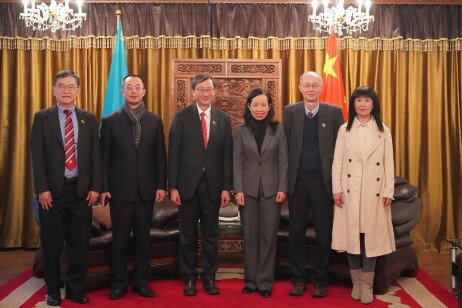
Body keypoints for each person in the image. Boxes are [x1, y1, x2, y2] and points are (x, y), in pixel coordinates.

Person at [31, 70, 101, 306]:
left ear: (78, 91)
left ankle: (74, 289)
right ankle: (52, 290)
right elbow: (37, 156)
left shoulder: (88, 118)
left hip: (81, 192)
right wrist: (42, 188)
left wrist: (95, 187)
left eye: (71, 86)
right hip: (52, 193)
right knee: (51, 244)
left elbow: (94, 156)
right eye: (62, 86)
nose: (66, 90)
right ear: (54, 89)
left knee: (79, 245)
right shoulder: (42, 117)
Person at [100, 75, 167, 300]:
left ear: (144, 91)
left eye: (138, 88)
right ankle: (118, 282)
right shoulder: (110, 121)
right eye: (129, 88)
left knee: (142, 239)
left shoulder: (155, 121)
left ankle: (141, 281)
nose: (134, 91)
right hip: (119, 190)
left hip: (146, 189)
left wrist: (161, 185)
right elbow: (104, 159)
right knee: (119, 238)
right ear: (122, 92)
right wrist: (104, 187)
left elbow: (160, 156)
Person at [168, 74, 233, 296]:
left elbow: (227, 156)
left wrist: (226, 187)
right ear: (193, 92)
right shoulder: (181, 117)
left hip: (213, 187)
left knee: (211, 234)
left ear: (215, 92)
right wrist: (173, 187)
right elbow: (173, 154)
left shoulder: (223, 119)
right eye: (201, 89)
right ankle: (188, 278)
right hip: (186, 187)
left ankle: (209, 277)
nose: (205, 93)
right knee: (186, 235)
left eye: (209, 89)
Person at [331, 86, 395, 304]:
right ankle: (356, 281)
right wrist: (337, 189)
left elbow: (389, 164)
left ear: (374, 104)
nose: (363, 104)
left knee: (371, 239)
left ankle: (367, 283)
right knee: (352, 237)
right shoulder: (344, 130)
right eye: (359, 100)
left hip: (374, 194)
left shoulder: (383, 131)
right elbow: (337, 162)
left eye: (367, 100)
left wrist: (388, 191)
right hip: (349, 192)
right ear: (353, 104)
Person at [283, 71, 344, 297]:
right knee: (296, 233)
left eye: (315, 85)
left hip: (323, 183)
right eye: (306, 85)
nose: (310, 89)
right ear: (299, 87)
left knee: (323, 234)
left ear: (322, 88)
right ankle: (298, 279)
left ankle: (320, 279)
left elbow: (341, 151)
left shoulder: (334, 113)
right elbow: (284, 149)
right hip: (297, 183)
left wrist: (338, 184)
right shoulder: (290, 112)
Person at [233, 88, 288, 298]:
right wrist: (237, 189)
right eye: (255, 104)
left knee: (268, 237)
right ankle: (250, 281)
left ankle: (265, 282)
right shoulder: (241, 130)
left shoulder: (278, 129)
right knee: (250, 236)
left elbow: (284, 160)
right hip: (246, 191)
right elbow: (237, 161)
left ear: (269, 107)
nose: (259, 109)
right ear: (248, 106)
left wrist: (283, 187)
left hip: (272, 191)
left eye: (263, 104)